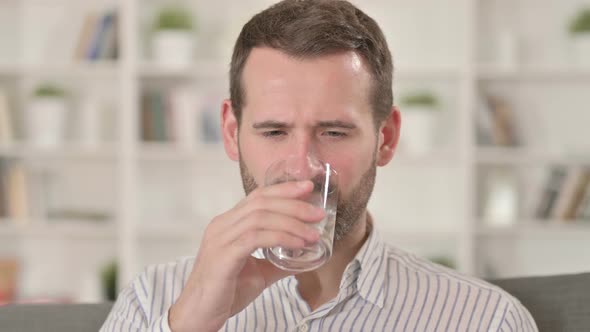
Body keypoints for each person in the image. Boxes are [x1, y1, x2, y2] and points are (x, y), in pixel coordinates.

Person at [101, 0, 538, 331]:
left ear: (385, 138)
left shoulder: (484, 320)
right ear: (232, 133)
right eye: (274, 132)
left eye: (333, 132)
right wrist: (191, 320)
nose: (302, 167)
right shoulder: (153, 300)